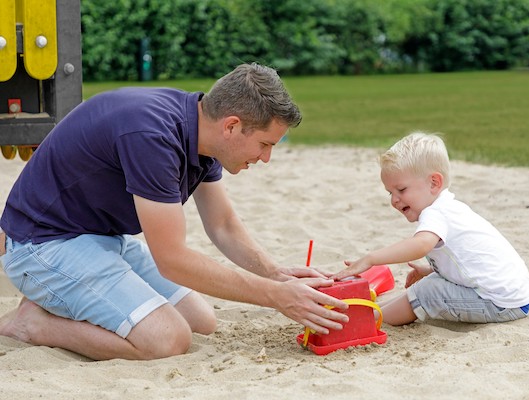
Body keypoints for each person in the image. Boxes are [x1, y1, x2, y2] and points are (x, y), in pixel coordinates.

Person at [0, 63, 349, 360]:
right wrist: (275, 297)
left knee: (201, 321)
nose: (266, 158)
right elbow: (172, 259)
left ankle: (64, 307)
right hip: (43, 245)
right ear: (231, 126)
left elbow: (223, 225)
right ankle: (33, 325)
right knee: (168, 340)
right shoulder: (153, 135)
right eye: (265, 144)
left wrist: (277, 276)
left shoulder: (200, 132)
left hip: (98, 239)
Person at [332, 132, 529, 326]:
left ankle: (368, 320)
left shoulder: (437, 213)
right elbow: (471, 261)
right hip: (513, 298)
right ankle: (372, 311)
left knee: (429, 291)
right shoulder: (449, 207)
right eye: (389, 193)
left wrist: (371, 258)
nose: (394, 200)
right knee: (429, 283)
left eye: (401, 189)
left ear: (434, 183)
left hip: (500, 303)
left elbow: (421, 245)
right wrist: (432, 269)